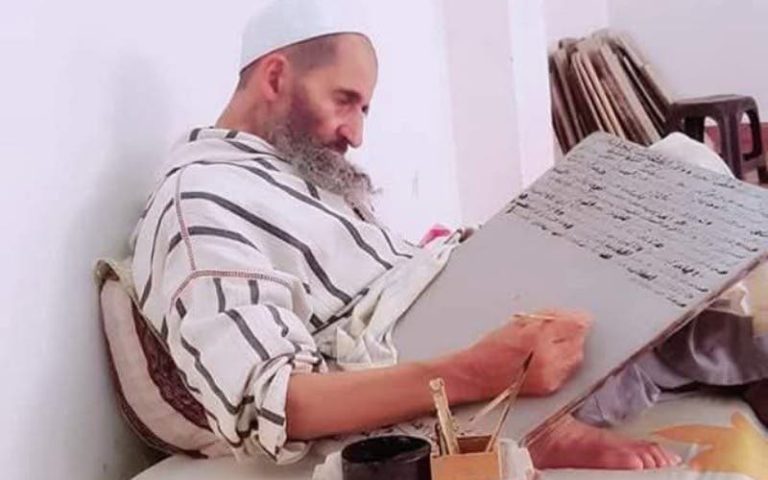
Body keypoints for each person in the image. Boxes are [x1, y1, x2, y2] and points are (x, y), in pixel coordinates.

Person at [128, 0, 767, 471]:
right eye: (345, 100)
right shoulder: (202, 199)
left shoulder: (299, 175)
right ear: (274, 77)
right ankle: (542, 428)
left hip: (454, 300)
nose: (357, 134)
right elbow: (270, 402)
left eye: (364, 109)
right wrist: (474, 372)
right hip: (426, 359)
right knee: (681, 195)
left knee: (681, 170)